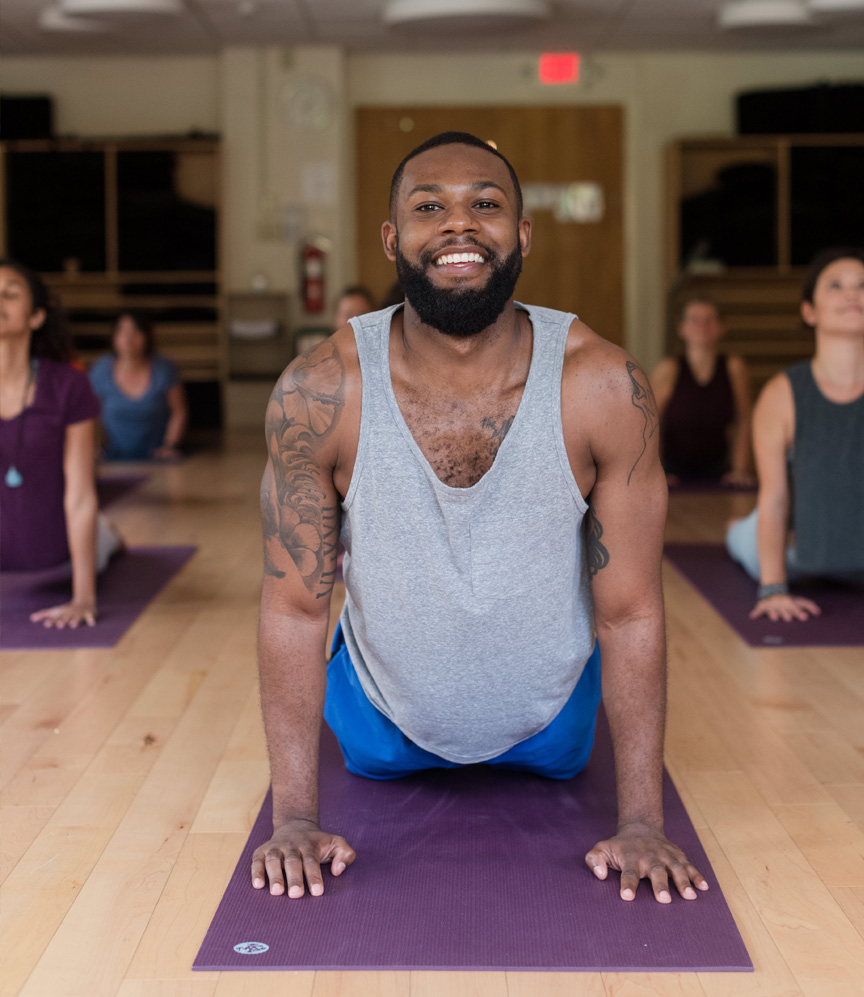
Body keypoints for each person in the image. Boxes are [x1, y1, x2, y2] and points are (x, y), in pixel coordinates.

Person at [252, 132, 709, 906]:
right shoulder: (321, 389)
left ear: (522, 234)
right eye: (429, 206)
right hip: (377, 728)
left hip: (554, 729)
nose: (459, 224)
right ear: (394, 239)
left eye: (486, 205)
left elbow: (631, 612)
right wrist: (293, 816)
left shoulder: (601, 384)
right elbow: (296, 608)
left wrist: (641, 821)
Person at [726, 247, 864, 622]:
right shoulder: (781, 393)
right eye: (836, 285)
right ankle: (737, 532)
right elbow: (774, 496)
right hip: (797, 552)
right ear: (809, 311)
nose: (852, 294)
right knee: (747, 543)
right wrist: (773, 589)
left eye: (862, 285)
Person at [0, 258, 123, 628]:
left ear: (36, 317)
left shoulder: (69, 385)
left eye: (9, 294)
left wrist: (83, 597)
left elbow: (81, 494)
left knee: (97, 534)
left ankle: (108, 535)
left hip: (58, 552)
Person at [651, 298, 753, 486]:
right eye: (695, 319)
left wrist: (739, 470)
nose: (702, 326)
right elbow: (651, 423)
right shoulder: (668, 369)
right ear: (681, 328)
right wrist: (655, 472)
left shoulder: (734, 368)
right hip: (672, 472)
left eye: (710, 320)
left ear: (722, 327)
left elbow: (743, 420)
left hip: (719, 470)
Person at [89, 311, 187, 461]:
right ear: (114, 337)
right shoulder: (100, 369)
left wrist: (170, 446)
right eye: (122, 331)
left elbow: (179, 411)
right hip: (111, 455)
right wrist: (96, 446)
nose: (128, 338)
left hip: (157, 457)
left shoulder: (164, 369)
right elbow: (91, 414)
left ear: (147, 336)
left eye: (135, 331)